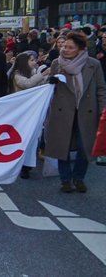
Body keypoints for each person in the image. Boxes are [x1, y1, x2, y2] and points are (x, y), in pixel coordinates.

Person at [45, 31, 106, 193]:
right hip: (62, 112)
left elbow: (101, 89)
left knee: (84, 147)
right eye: (64, 46)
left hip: (87, 113)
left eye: (70, 47)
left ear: (80, 49)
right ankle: (65, 179)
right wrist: (50, 81)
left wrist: (102, 110)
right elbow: (49, 89)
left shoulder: (93, 64)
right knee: (61, 146)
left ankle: (79, 178)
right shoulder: (57, 64)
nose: (65, 49)